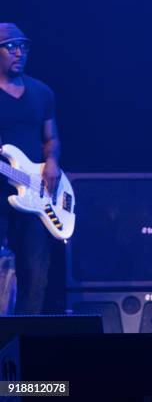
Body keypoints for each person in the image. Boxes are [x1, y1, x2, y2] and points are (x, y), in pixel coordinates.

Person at [0, 23, 61, 314]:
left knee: (36, 277)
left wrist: (52, 162)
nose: (18, 52)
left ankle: (22, 347)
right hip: (1, 193)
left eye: (22, 46)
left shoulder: (42, 92)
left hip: (36, 194)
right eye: (10, 46)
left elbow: (51, 137)